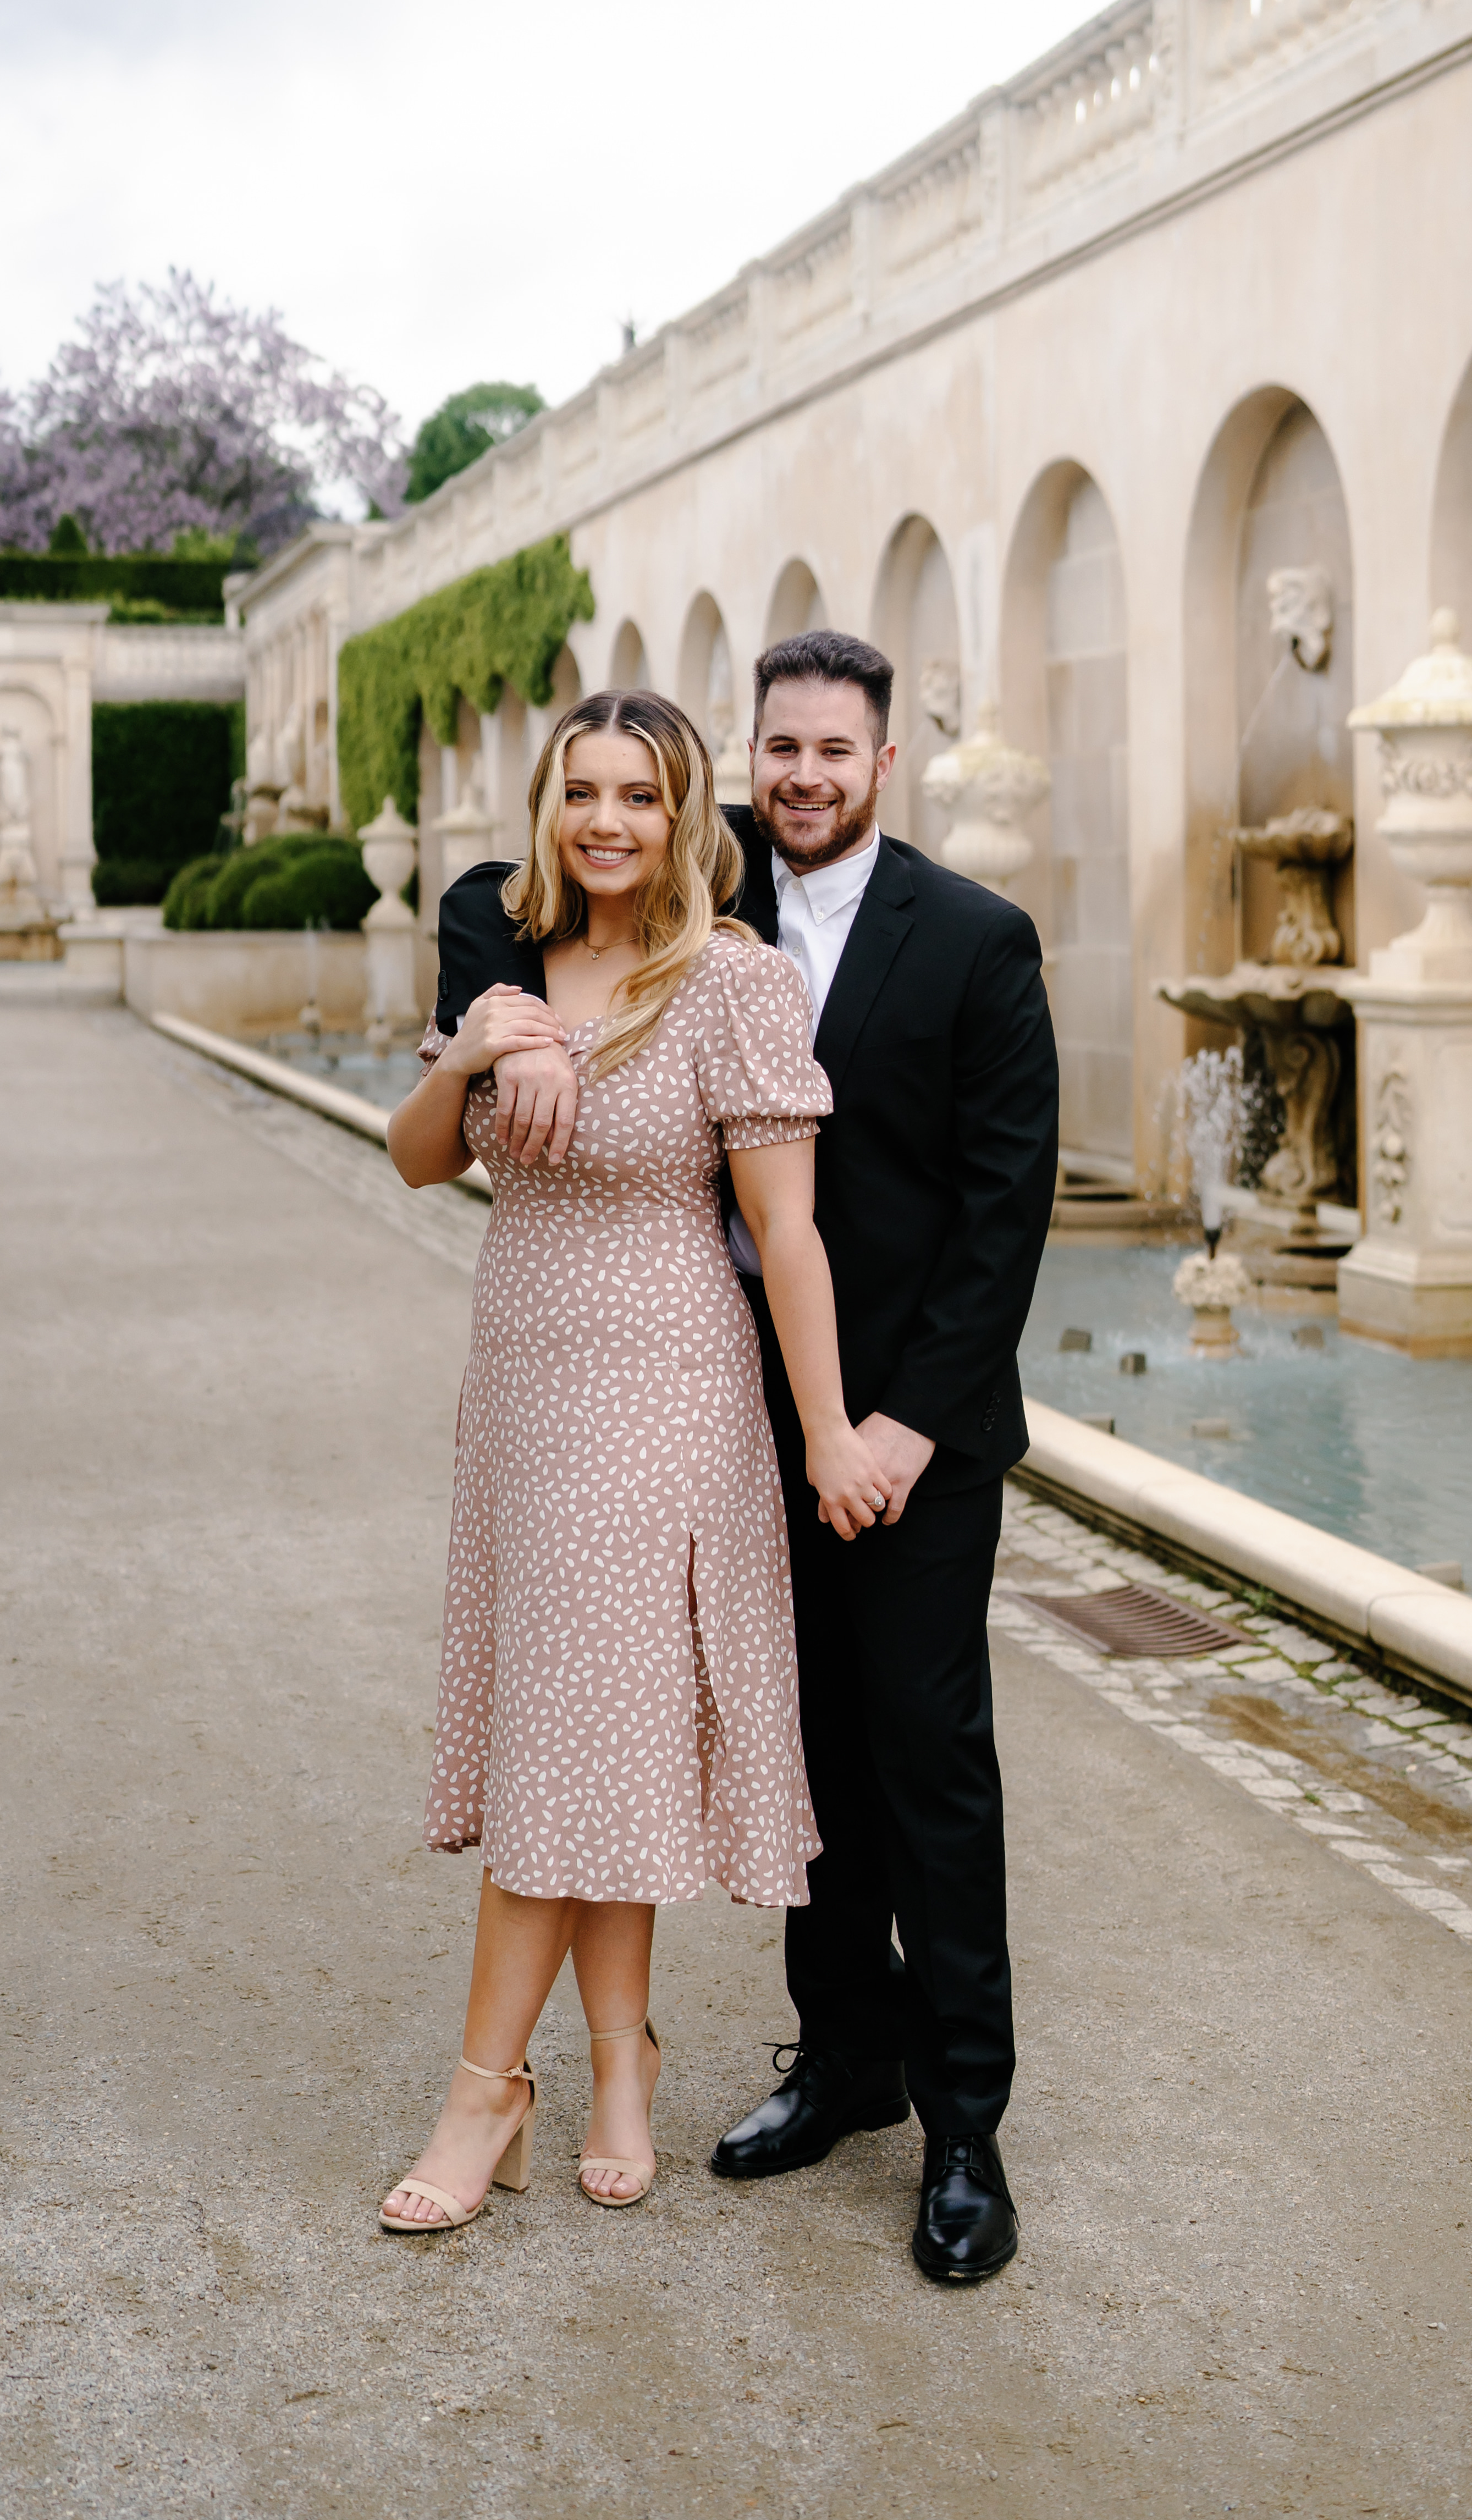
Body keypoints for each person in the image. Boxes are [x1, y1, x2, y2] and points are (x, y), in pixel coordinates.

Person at [435, 629, 1060, 2285]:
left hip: (897, 1426)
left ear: (881, 764)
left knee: (926, 1758)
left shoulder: (981, 943)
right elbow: (491, 925)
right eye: (777, 748)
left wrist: (884, 1430)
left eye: (831, 754)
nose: (801, 777)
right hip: (707, 1408)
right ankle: (841, 2059)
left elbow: (1002, 1229)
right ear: (746, 765)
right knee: (813, 1761)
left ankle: (966, 2132)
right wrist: (515, 1037)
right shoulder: (682, 906)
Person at [376, 689, 890, 2237]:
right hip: (525, 1382)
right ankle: (621, 2059)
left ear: (688, 820)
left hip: (665, 1384)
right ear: (550, 808)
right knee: (596, 1737)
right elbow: (412, 1158)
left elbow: (786, 1231)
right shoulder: (513, 971)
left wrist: (828, 1430)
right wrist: (471, 1049)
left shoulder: (733, 984)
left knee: (570, 1736)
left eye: (642, 798)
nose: (608, 822)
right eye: (583, 792)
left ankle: (484, 2093)